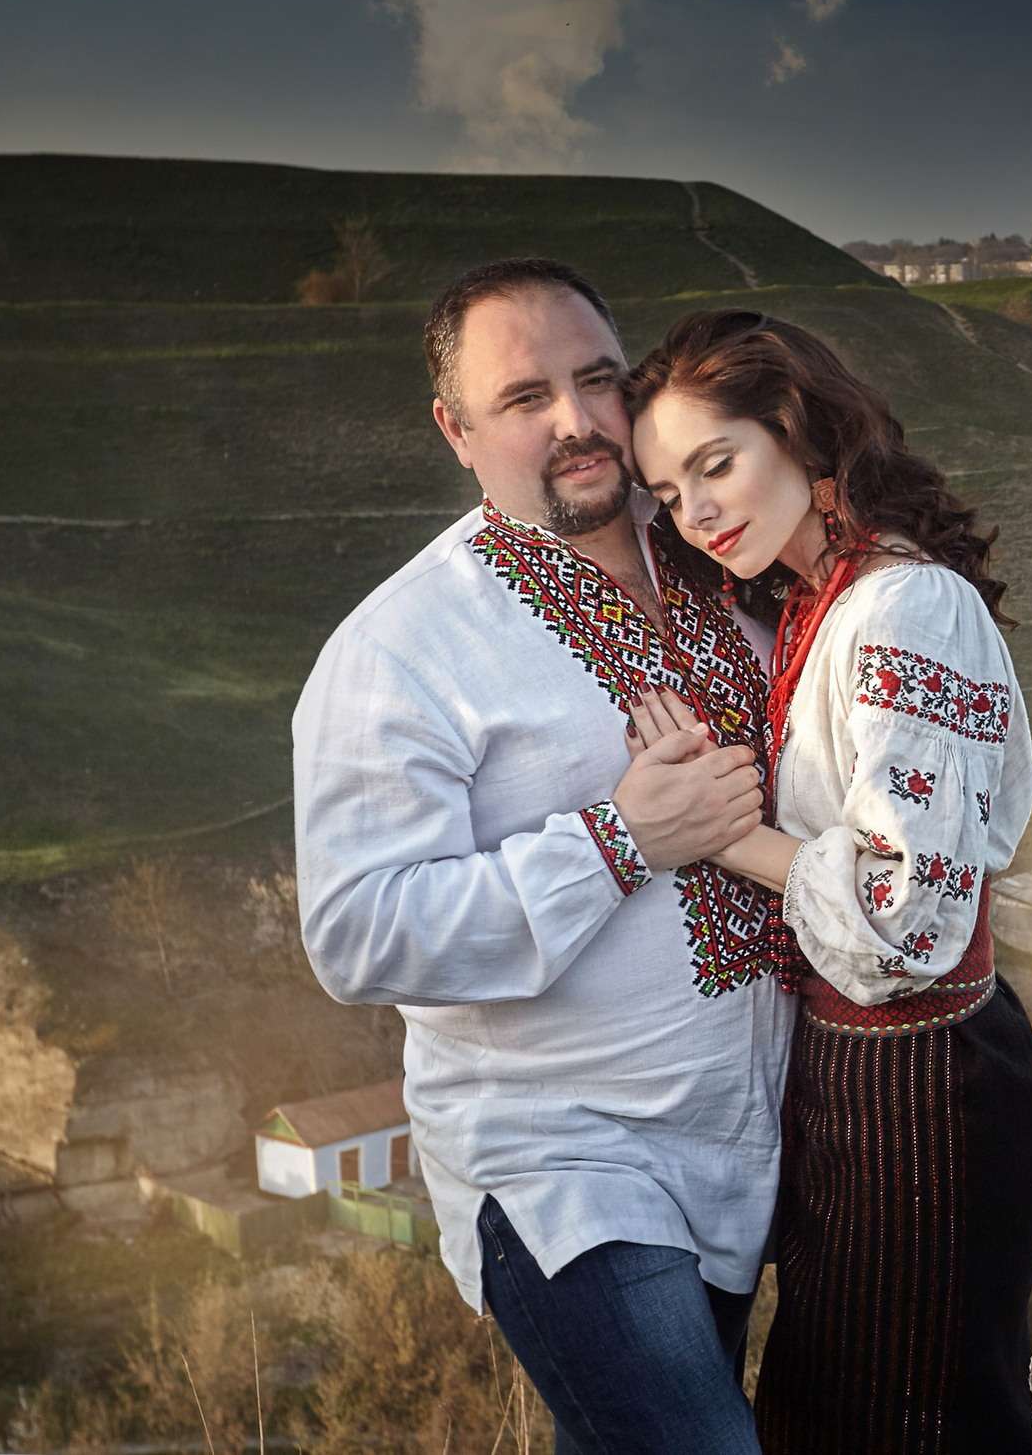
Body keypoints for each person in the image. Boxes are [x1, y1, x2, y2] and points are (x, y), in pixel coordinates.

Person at [293, 261, 791, 1455]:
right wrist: (619, 842)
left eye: (596, 381)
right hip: (565, 1165)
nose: (574, 423)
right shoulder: (397, 651)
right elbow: (356, 933)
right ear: (456, 432)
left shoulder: (733, 562)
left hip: (760, 1135)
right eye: (524, 398)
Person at [624, 307, 1032, 1455]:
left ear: (800, 432)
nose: (698, 509)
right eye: (668, 494)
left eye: (717, 463)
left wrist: (721, 831)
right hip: (864, 1083)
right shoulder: (816, 601)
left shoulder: (906, 606)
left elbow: (900, 917)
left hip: (931, 1087)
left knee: (903, 1426)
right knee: (850, 1413)